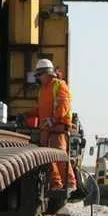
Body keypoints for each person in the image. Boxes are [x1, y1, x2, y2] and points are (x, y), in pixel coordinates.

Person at [27, 58, 76, 192]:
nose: (39, 78)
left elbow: (63, 105)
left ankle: (70, 183)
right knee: (48, 160)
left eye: (40, 75)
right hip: (46, 130)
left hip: (57, 129)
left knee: (59, 155)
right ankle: (56, 183)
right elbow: (41, 109)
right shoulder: (43, 90)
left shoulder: (60, 85)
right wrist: (27, 114)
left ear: (48, 73)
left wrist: (53, 120)